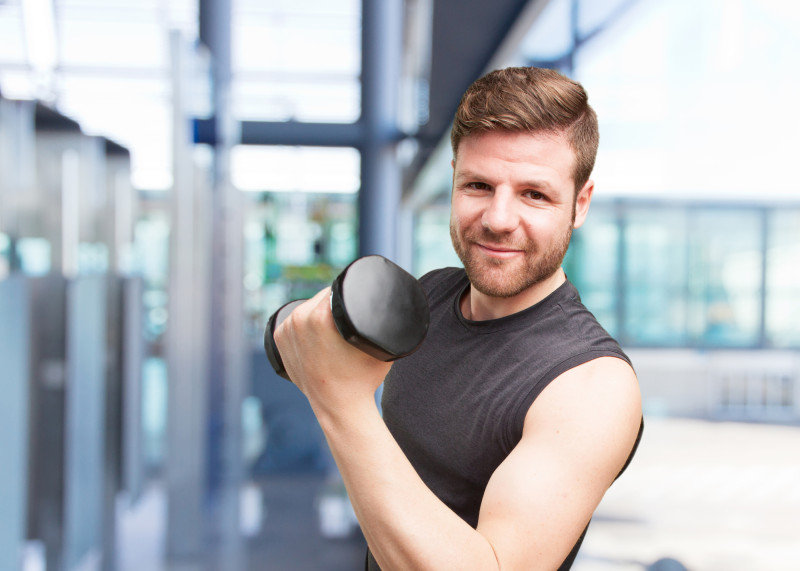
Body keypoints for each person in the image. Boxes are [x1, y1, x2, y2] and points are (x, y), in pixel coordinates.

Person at [274, 66, 643, 570]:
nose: (497, 218)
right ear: (453, 180)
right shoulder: (433, 292)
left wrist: (339, 399)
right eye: (478, 185)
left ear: (579, 204)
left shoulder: (592, 385)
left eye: (534, 194)